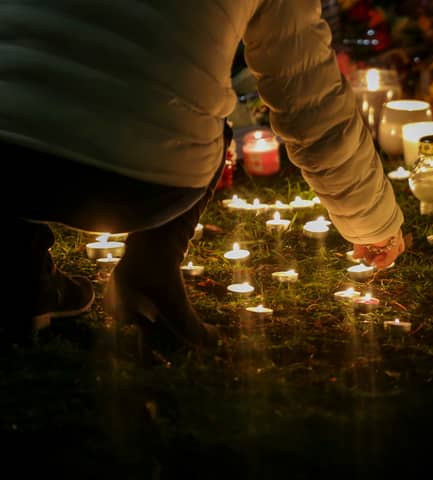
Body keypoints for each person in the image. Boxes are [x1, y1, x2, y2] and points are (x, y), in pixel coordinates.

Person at [1, 0, 405, 350]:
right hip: (147, 182)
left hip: (10, 161)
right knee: (206, 121)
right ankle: (150, 273)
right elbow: (310, 102)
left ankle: (18, 277)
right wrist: (373, 223)